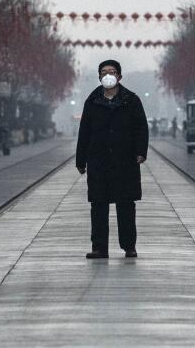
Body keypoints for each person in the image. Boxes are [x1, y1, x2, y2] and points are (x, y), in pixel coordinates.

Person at [76, 59, 148, 259]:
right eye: (104, 72)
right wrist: (80, 160)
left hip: (125, 161)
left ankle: (129, 246)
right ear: (99, 77)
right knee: (98, 206)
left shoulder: (131, 100)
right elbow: (85, 132)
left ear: (119, 76)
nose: (108, 75)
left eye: (112, 71)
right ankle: (99, 247)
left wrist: (140, 151)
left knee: (126, 205)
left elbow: (141, 127)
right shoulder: (92, 101)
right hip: (98, 161)